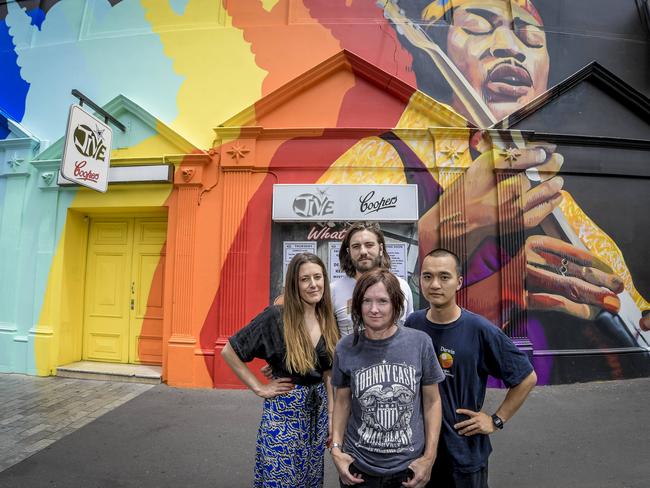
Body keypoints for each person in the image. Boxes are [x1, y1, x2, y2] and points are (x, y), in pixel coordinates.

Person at [405, 248, 537, 487]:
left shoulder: (479, 329)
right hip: (419, 452)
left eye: (444, 277)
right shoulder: (413, 324)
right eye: (427, 276)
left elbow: (526, 377)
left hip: (462, 453)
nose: (435, 284)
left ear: (459, 282)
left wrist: (496, 420)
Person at [221, 252, 340, 487]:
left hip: (316, 414)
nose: (313, 284)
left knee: (310, 479)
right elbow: (229, 351)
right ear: (294, 284)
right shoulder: (276, 316)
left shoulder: (328, 318)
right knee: (281, 479)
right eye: (305, 279)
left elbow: (328, 373)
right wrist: (259, 388)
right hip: (284, 413)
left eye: (317, 277)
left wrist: (331, 417)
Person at [330, 269, 445, 488]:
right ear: (357, 305)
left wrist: (429, 458)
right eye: (366, 301)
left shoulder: (420, 343)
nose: (374, 309)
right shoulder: (345, 347)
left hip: (408, 469)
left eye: (382, 301)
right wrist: (336, 449)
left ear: (395, 304)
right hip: (359, 468)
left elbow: (432, 401)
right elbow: (342, 401)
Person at [332, 222, 414, 336]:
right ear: (348, 252)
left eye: (369, 245)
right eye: (356, 246)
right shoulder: (334, 290)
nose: (363, 252)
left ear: (380, 249)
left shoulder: (402, 286)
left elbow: (410, 332)